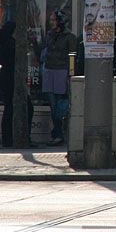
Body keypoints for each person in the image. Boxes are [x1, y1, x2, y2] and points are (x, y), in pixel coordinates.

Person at [0, 21, 33, 147]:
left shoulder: (3, 42)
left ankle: (7, 139)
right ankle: (21, 137)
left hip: (5, 79)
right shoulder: (12, 44)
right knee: (24, 107)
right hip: (12, 79)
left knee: (9, 108)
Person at [41, 10, 75, 146]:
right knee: (52, 104)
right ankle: (57, 133)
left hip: (62, 71)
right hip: (49, 70)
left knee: (60, 105)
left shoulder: (69, 37)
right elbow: (43, 51)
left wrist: (70, 74)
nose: (51, 23)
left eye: (54, 20)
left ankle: (58, 133)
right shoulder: (49, 35)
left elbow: (72, 57)